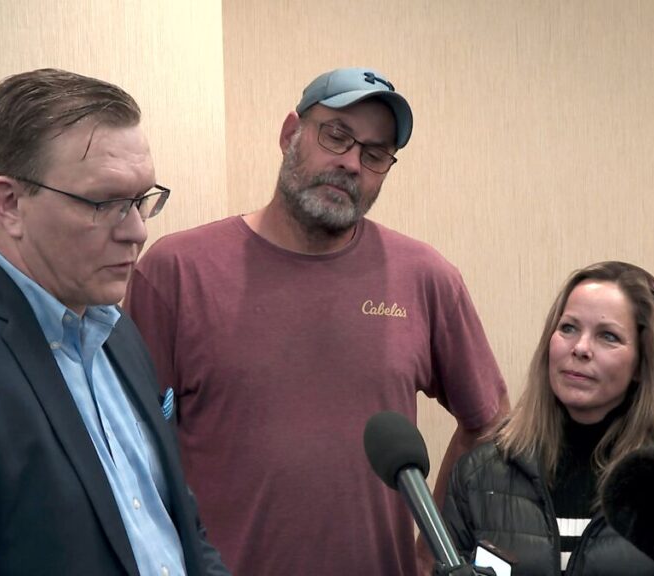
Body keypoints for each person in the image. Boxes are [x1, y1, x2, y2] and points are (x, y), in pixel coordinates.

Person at [125, 67, 509, 575]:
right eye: (336, 135)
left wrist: (427, 552)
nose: (351, 163)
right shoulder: (175, 272)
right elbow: (129, 445)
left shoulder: (425, 277)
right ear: (291, 134)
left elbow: (489, 423)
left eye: (374, 155)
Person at [0, 68, 229, 576]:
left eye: (141, 200)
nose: (137, 230)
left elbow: (179, 530)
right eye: (106, 202)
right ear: (9, 203)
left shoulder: (116, 329)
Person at [442, 261, 654, 575]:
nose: (580, 348)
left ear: (641, 364)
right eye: (568, 328)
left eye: (608, 336)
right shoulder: (479, 476)